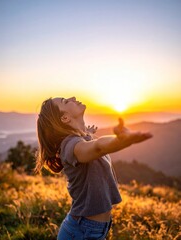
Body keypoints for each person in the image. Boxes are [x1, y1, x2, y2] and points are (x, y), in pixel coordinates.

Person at [35, 96, 153, 240]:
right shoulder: (70, 146)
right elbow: (98, 147)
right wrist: (121, 141)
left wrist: (86, 133)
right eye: (66, 101)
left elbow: (91, 143)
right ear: (65, 118)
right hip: (81, 232)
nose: (72, 97)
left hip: (90, 229)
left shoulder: (81, 139)